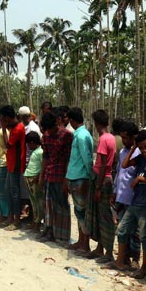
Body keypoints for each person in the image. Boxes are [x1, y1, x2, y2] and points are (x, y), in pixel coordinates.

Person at [109, 130, 146, 278]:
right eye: (141, 147)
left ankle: (144, 267)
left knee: (143, 236)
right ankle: (120, 261)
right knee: (122, 230)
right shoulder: (140, 158)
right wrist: (133, 148)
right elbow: (124, 164)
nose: (145, 150)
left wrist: (141, 180)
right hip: (135, 202)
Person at [37, 111, 73, 243]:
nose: (49, 132)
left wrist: (66, 179)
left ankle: (62, 234)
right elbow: (45, 157)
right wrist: (41, 176)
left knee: (62, 206)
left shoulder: (67, 136)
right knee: (48, 205)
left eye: (51, 129)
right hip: (49, 175)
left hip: (60, 175)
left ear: (56, 123)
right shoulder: (46, 136)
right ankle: (49, 230)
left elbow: (69, 159)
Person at [86, 109, 116, 261]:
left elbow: (103, 165)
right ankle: (100, 248)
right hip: (104, 178)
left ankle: (108, 252)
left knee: (104, 217)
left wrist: (98, 187)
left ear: (97, 124)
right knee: (100, 215)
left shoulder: (104, 140)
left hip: (102, 180)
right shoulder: (111, 138)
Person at [66, 107, 94, 255]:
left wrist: (91, 176)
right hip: (75, 176)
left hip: (80, 177)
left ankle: (85, 243)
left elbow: (87, 158)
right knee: (78, 212)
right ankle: (81, 240)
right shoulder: (79, 135)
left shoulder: (82, 136)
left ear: (72, 120)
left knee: (82, 212)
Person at [24, 131, 44, 232]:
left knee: (38, 202)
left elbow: (43, 165)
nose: (28, 146)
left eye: (28, 143)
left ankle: (37, 224)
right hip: (29, 177)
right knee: (33, 202)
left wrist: (39, 176)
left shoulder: (40, 152)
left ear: (32, 142)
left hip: (34, 179)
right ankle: (35, 221)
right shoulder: (35, 152)